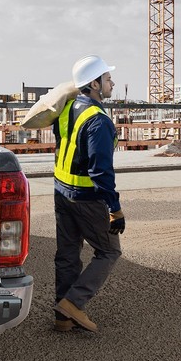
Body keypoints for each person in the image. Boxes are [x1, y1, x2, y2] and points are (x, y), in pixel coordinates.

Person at [52, 55, 125, 333]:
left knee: (68, 253)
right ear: (94, 84)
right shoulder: (98, 120)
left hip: (61, 191)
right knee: (109, 251)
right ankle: (73, 303)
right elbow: (101, 172)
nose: (112, 83)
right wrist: (115, 209)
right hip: (85, 196)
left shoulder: (68, 108)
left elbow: (62, 148)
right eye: (107, 79)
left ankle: (63, 318)